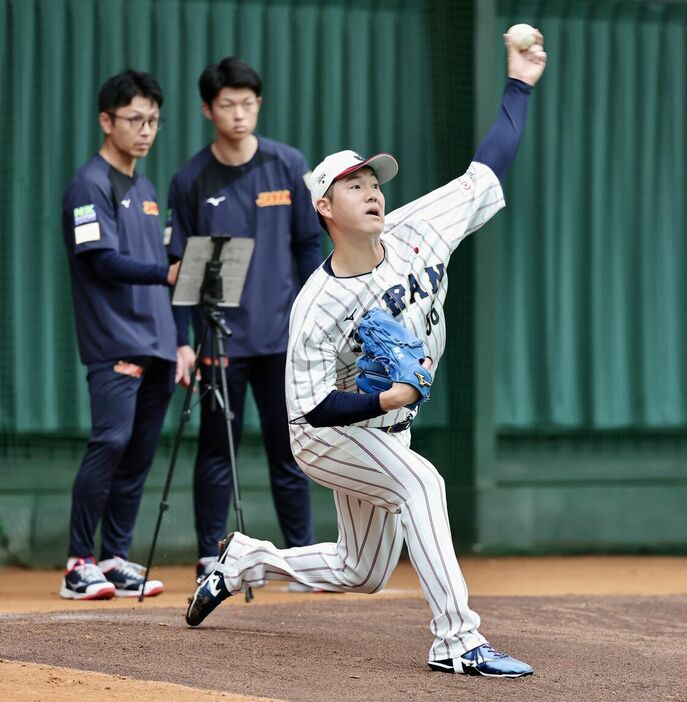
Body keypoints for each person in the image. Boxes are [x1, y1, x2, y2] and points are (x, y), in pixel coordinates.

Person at [185, 31, 547, 677]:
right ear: (324, 207)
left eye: (373, 180)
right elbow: (314, 408)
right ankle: (456, 641)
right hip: (324, 431)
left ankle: (246, 558)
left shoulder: (418, 228)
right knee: (422, 484)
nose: (372, 189)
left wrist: (518, 82)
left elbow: (487, 167)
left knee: (363, 572)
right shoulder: (315, 305)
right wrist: (386, 396)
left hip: (388, 426)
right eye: (353, 184)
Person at [166, 58, 323, 582]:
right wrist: (185, 341)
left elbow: (307, 245)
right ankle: (214, 555)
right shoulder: (190, 179)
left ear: (259, 105)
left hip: (281, 341)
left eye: (248, 103)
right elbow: (185, 269)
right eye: (228, 104)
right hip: (220, 344)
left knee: (291, 449)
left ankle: (301, 556)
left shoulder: (287, 165)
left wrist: (310, 316)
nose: (239, 114)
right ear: (208, 109)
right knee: (216, 449)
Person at [60, 70, 180, 600]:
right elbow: (101, 259)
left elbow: (157, 268)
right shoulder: (89, 184)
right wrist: (167, 273)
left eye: (153, 120)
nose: (146, 130)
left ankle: (114, 559)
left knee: (137, 453)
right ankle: (77, 563)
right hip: (114, 341)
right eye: (135, 119)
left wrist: (178, 340)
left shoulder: (147, 188)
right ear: (106, 121)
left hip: (157, 342)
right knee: (110, 442)